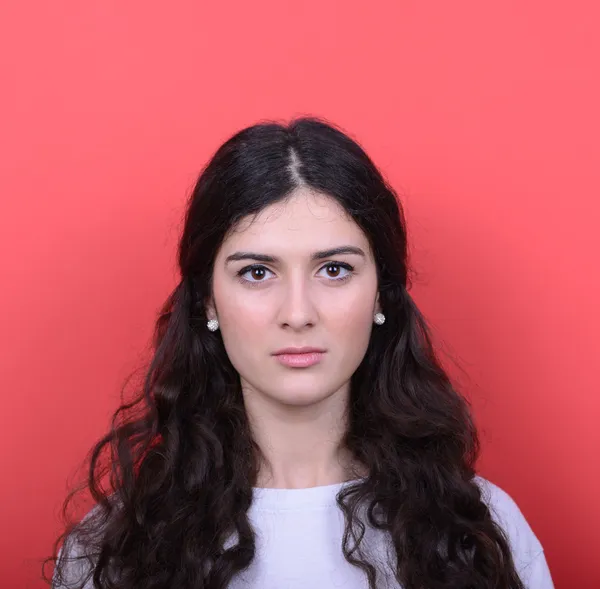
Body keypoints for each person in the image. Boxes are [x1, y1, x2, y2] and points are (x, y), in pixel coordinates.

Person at [46, 116, 555, 589]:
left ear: (380, 292)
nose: (297, 312)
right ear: (208, 301)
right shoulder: (118, 548)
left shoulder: (482, 531)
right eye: (257, 272)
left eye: (333, 269)